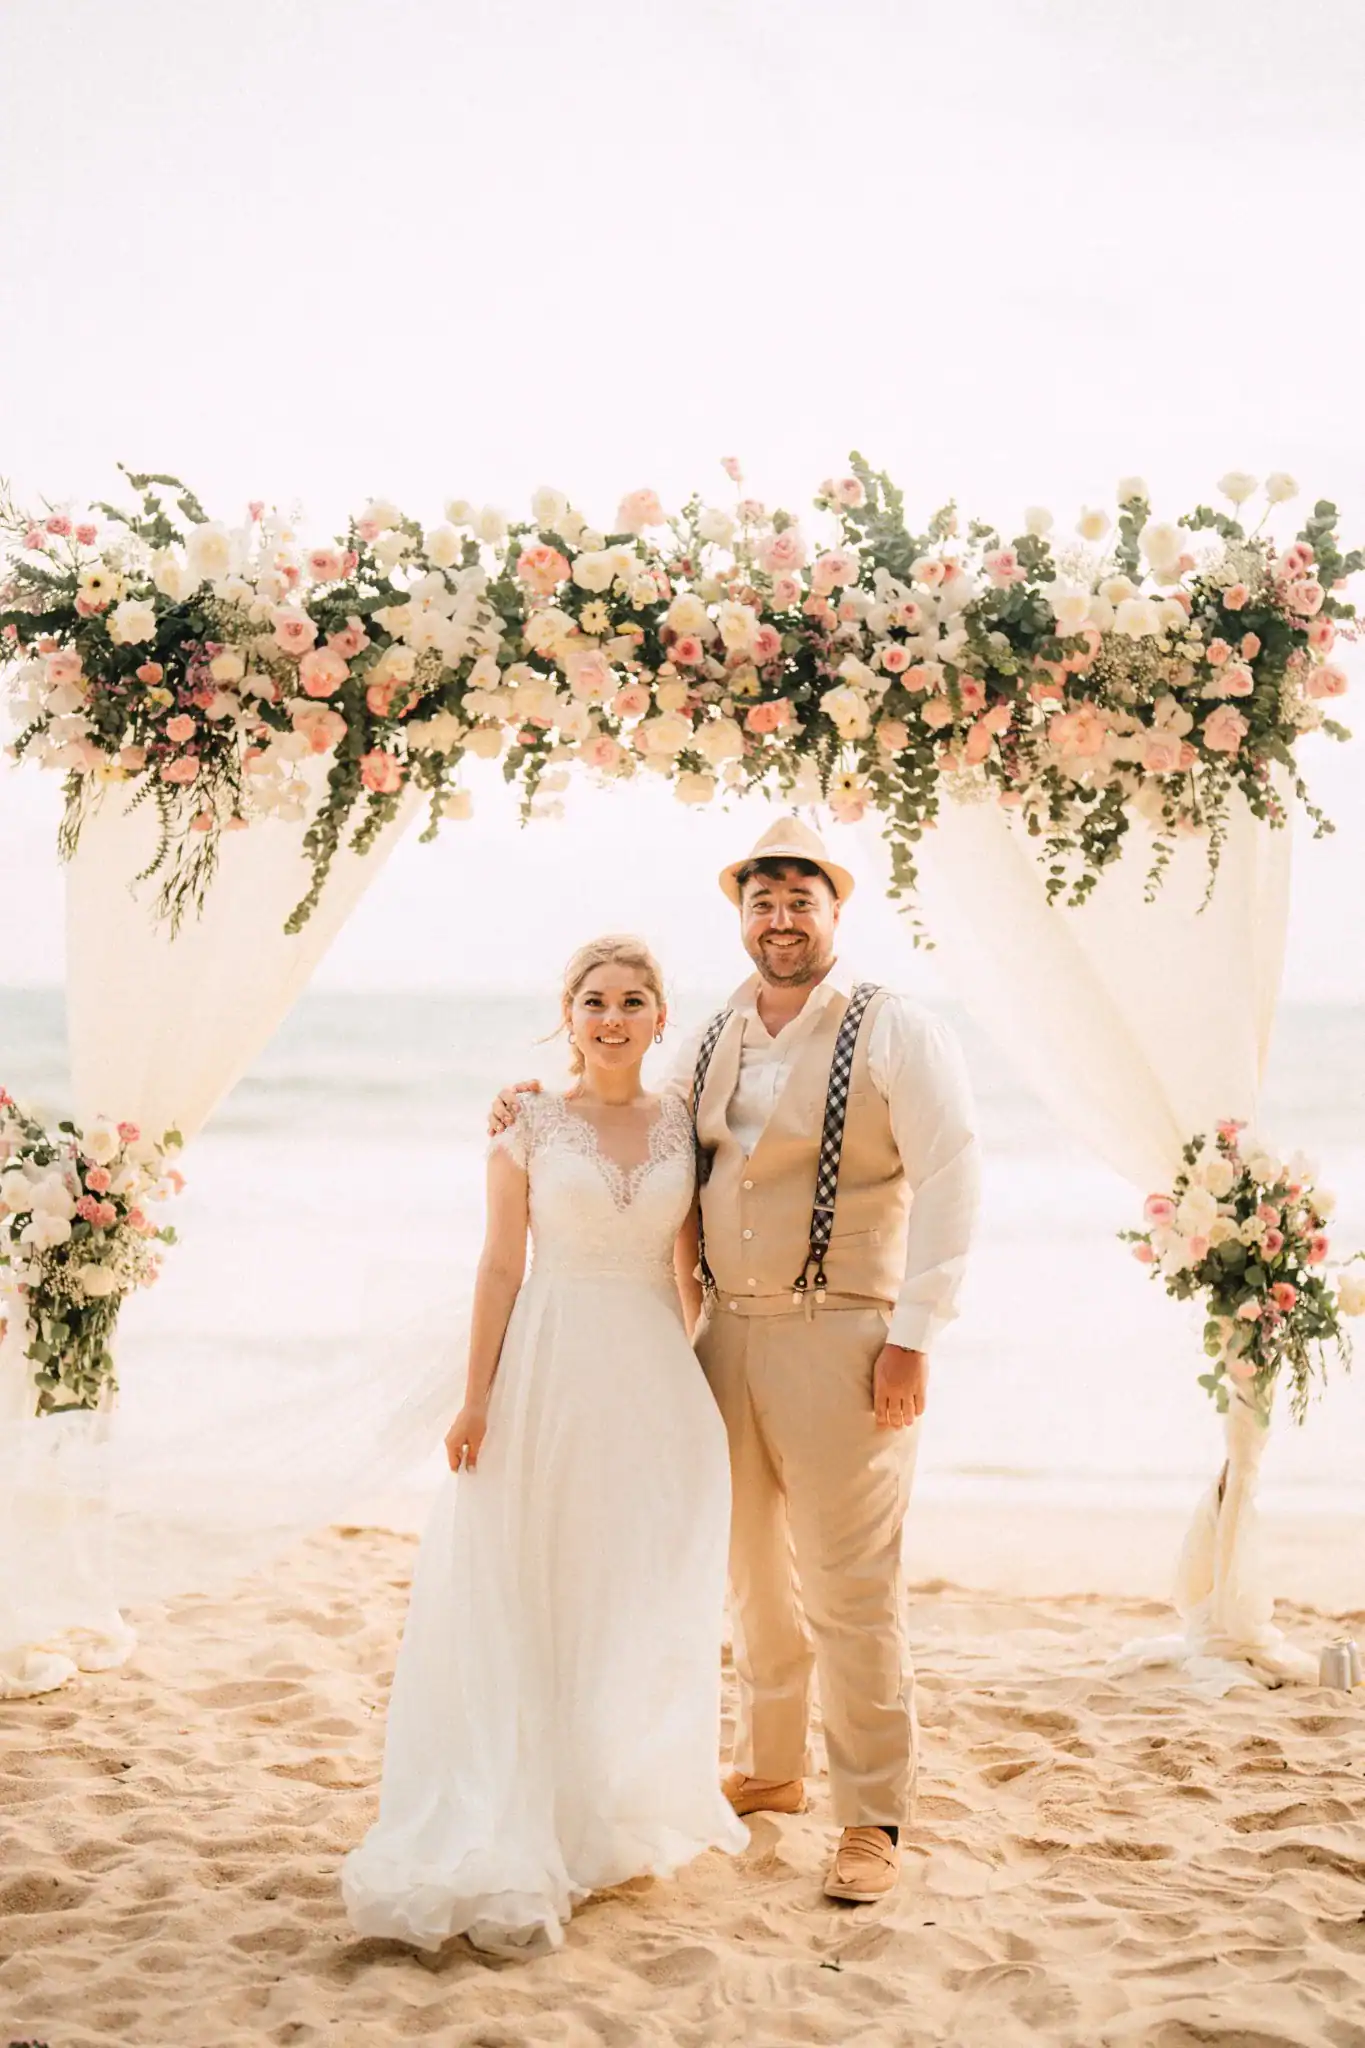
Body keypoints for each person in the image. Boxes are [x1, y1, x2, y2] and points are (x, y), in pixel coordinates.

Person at [490, 818, 979, 1905]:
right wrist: (519, 1105)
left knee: (851, 1583)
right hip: (721, 1336)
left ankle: (873, 1814)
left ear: (834, 912)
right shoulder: (710, 1032)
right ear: (742, 915)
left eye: (801, 898)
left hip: (847, 1331)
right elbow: (630, 1124)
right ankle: (773, 1765)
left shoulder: (896, 1030)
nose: (781, 918)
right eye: (762, 900)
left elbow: (952, 1178)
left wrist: (916, 1333)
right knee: (750, 1566)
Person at [343, 936, 745, 1956]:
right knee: (541, 1583)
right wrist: (477, 1397)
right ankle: (531, 1800)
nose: (613, 1016)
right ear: (567, 1016)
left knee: (633, 1587)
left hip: (653, 1382)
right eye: (595, 999)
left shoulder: (688, 1128)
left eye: (634, 999)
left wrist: (694, 1376)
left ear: (663, 1016)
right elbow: (496, 1265)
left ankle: (611, 1792)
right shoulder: (526, 1119)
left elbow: (696, 1270)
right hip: (551, 1370)